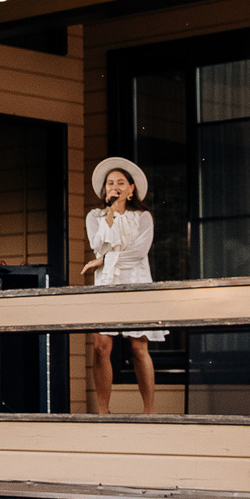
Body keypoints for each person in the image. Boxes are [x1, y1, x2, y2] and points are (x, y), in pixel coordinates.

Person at [81, 158, 161, 415]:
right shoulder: (95, 216)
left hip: (135, 282)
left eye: (120, 183)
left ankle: (149, 411)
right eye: (110, 183)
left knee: (138, 346)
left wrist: (103, 260)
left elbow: (138, 253)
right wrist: (110, 214)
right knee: (101, 347)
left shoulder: (142, 217)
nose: (114, 187)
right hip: (106, 285)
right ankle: (104, 412)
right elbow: (97, 244)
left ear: (131, 189)